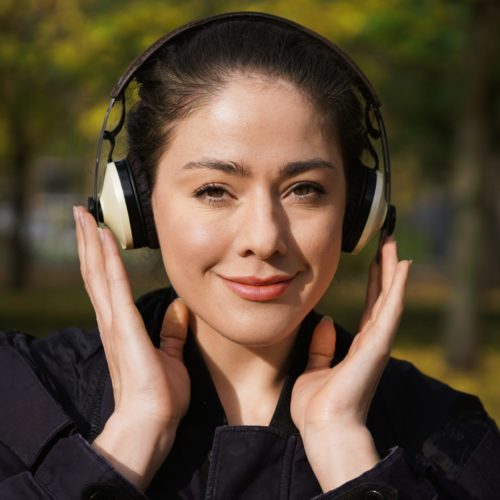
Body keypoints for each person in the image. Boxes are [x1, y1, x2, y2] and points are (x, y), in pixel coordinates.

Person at [0, 12, 498, 500]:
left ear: (359, 211)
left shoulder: (451, 439)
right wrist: (131, 436)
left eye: (305, 190)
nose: (264, 238)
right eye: (215, 190)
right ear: (135, 206)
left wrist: (349, 457)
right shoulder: (22, 396)